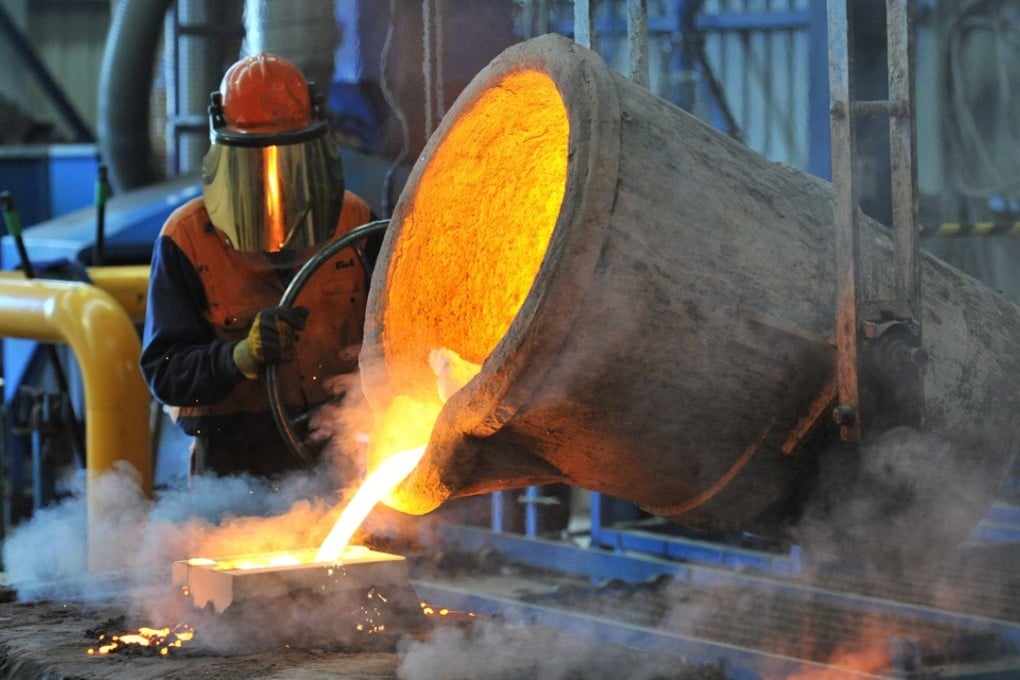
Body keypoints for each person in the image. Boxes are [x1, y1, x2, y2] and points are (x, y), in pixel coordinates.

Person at [140, 52, 379, 479]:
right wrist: (239, 356)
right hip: (236, 464)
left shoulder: (354, 223)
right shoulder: (188, 239)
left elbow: (402, 333)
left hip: (341, 446)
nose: (274, 182)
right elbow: (166, 373)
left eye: (291, 162)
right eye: (255, 165)